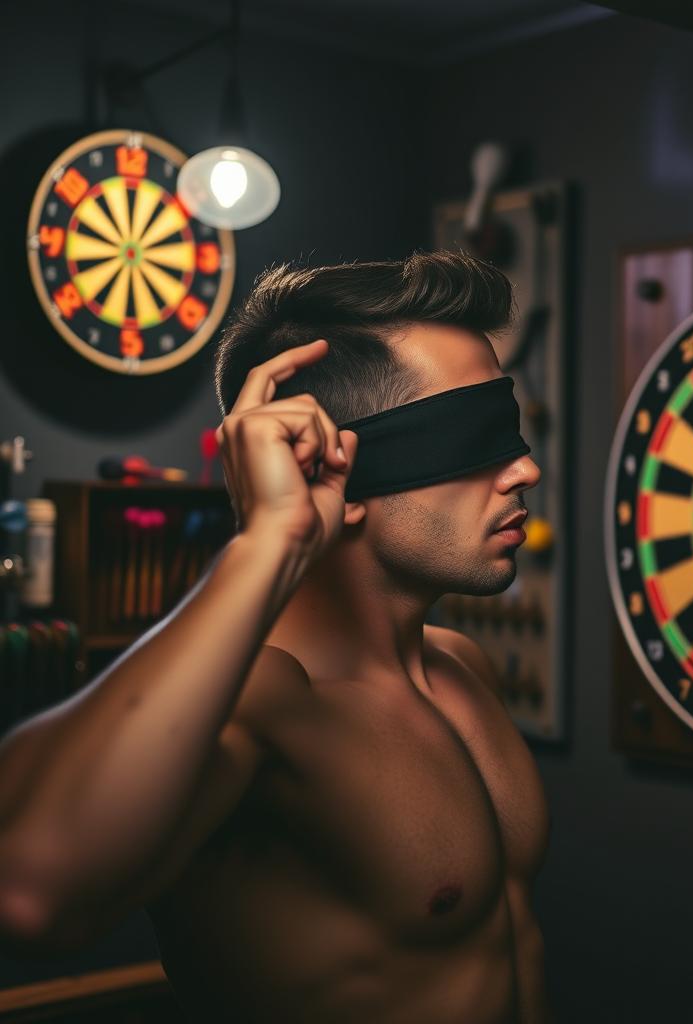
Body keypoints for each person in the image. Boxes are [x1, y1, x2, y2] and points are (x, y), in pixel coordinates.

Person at [0, 250, 554, 1022]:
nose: (524, 469)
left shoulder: (460, 669)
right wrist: (268, 543)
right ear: (334, 464)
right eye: (475, 438)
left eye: (512, 429)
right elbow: (27, 890)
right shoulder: (263, 705)